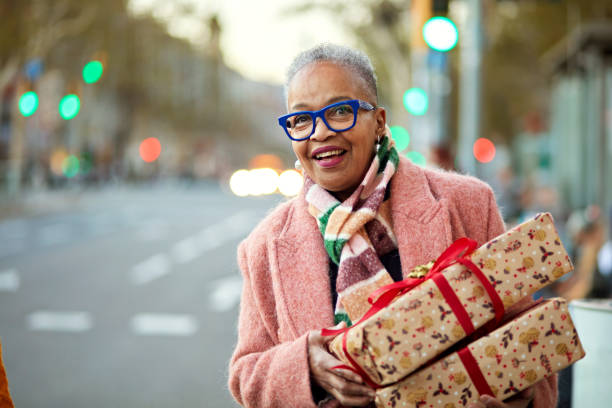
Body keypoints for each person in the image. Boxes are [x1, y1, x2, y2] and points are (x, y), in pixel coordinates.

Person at [228, 44, 557, 408]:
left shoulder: (469, 203)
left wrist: (520, 400)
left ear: (380, 121)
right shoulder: (264, 245)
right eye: (301, 120)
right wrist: (305, 363)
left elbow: (532, 337)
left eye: (340, 111)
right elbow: (246, 374)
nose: (319, 133)